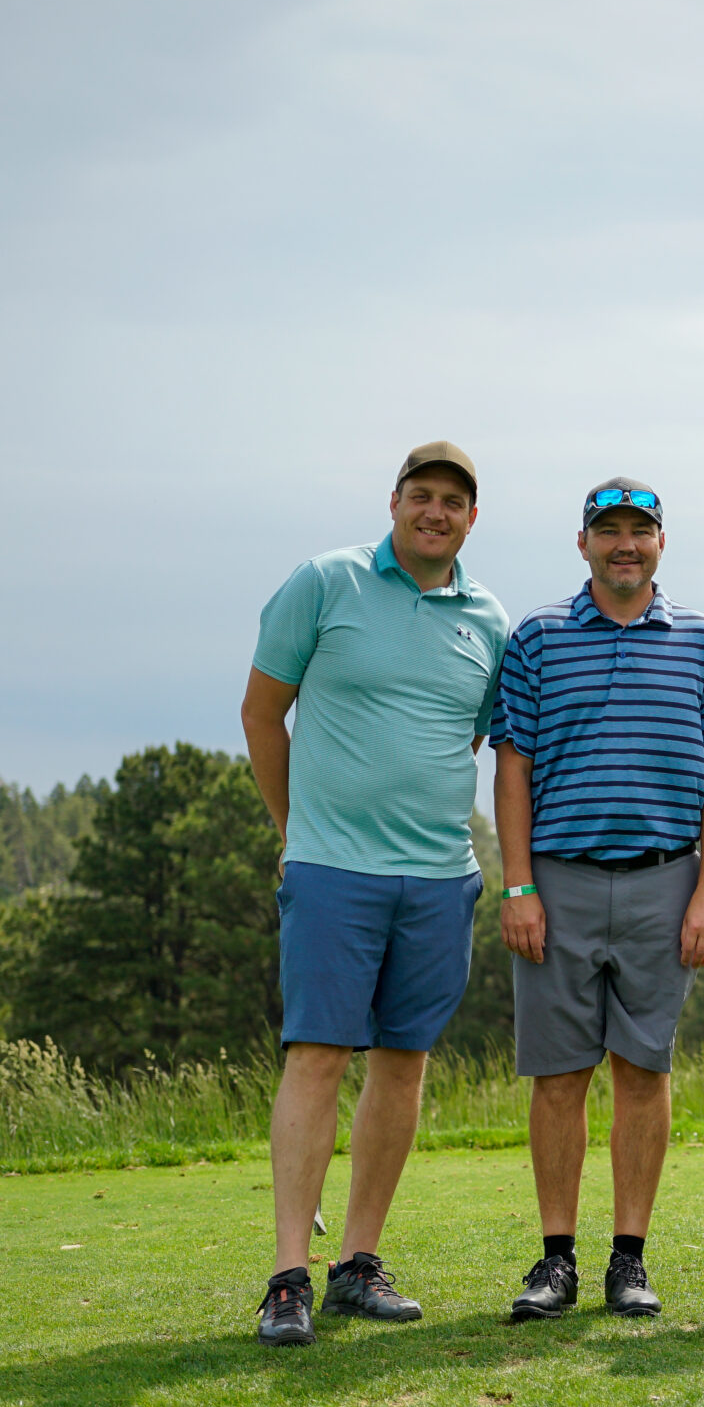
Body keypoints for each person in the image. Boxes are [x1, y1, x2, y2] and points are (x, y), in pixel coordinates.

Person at [242, 441, 511, 1347]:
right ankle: (288, 1275)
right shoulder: (326, 583)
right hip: (331, 869)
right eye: (422, 495)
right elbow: (261, 712)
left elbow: (464, 738)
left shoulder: (489, 620)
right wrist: (295, 831)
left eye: (453, 502)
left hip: (438, 877)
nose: (436, 512)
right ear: (394, 500)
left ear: (472, 518)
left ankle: (358, 1263)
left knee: (404, 1062)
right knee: (318, 1055)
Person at [493, 478, 704, 1321]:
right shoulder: (537, 637)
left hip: (665, 880)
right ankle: (556, 1260)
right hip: (557, 880)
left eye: (641, 529)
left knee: (644, 1069)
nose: (625, 543)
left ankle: (628, 1260)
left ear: (661, 543)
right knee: (559, 1074)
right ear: (584, 543)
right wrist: (518, 885)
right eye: (609, 530)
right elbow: (513, 769)